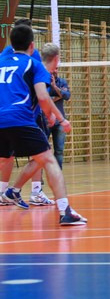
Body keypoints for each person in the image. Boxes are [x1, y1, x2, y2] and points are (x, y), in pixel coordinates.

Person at [0, 24, 84, 225]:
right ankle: (65, 211)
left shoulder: (1, 61)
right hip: (20, 118)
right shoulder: (34, 64)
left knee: (6, 159)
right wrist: (59, 118)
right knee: (48, 159)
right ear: (32, 45)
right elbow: (43, 97)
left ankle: (11, 192)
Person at [0, 19, 53, 207]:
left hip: (5, 112)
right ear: (30, 41)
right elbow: (40, 87)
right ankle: (35, 192)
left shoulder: (4, 54)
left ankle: (3, 192)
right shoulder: (32, 56)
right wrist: (52, 113)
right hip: (28, 112)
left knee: (6, 156)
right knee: (40, 154)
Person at [43, 43, 70, 170]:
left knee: (59, 150)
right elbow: (43, 97)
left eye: (57, 69)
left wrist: (54, 87)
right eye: (54, 68)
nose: (55, 71)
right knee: (42, 150)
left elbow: (67, 96)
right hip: (45, 121)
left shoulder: (61, 82)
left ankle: (58, 173)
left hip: (59, 121)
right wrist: (57, 96)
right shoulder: (42, 80)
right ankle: (39, 178)